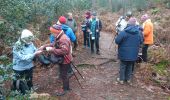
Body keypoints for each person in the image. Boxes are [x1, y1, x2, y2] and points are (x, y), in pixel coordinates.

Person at [40, 24, 72, 96]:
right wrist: (44, 46)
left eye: (52, 32)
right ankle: (67, 88)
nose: (51, 34)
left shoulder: (63, 39)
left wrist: (52, 50)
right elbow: (53, 44)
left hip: (65, 60)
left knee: (64, 75)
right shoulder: (58, 36)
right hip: (62, 59)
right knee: (64, 74)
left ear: (56, 32)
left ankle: (65, 89)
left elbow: (65, 51)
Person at [12, 29, 42, 94]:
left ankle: (30, 91)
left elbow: (34, 50)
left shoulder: (30, 43)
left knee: (29, 80)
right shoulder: (17, 46)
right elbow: (23, 57)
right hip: (19, 68)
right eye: (28, 40)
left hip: (29, 66)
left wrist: (39, 49)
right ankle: (18, 94)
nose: (30, 42)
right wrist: (34, 54)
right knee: (19, 83)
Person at [115, 17, 143, 85]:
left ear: (128, 23)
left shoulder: (124, 32)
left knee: (123, 66)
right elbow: (141, 41)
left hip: (124, 53)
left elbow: (117, 41)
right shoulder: (139, 33)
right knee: (130, 65)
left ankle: (121, 80)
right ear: (135, 24)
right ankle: (128, 79)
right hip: (133, 54)